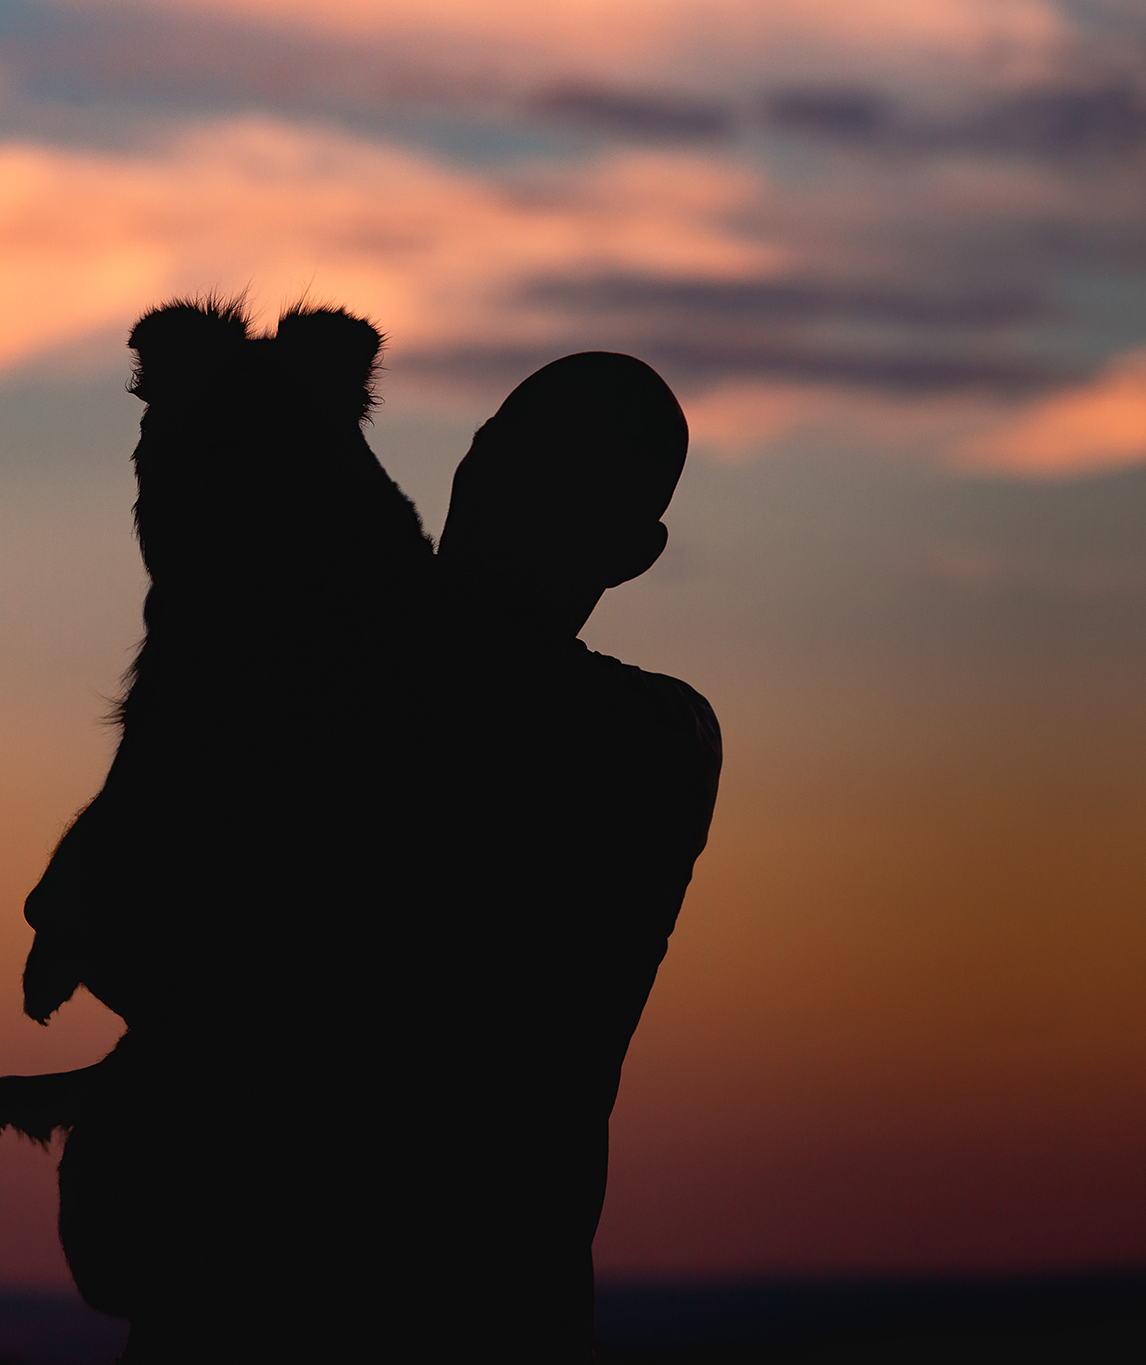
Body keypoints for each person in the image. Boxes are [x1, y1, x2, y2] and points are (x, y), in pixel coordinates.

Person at [434, 351, 722, 1358]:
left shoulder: (644, 739)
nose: (489, 496)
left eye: (544, 483)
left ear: (632, 553)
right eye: (487, 461)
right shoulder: (648, 734)